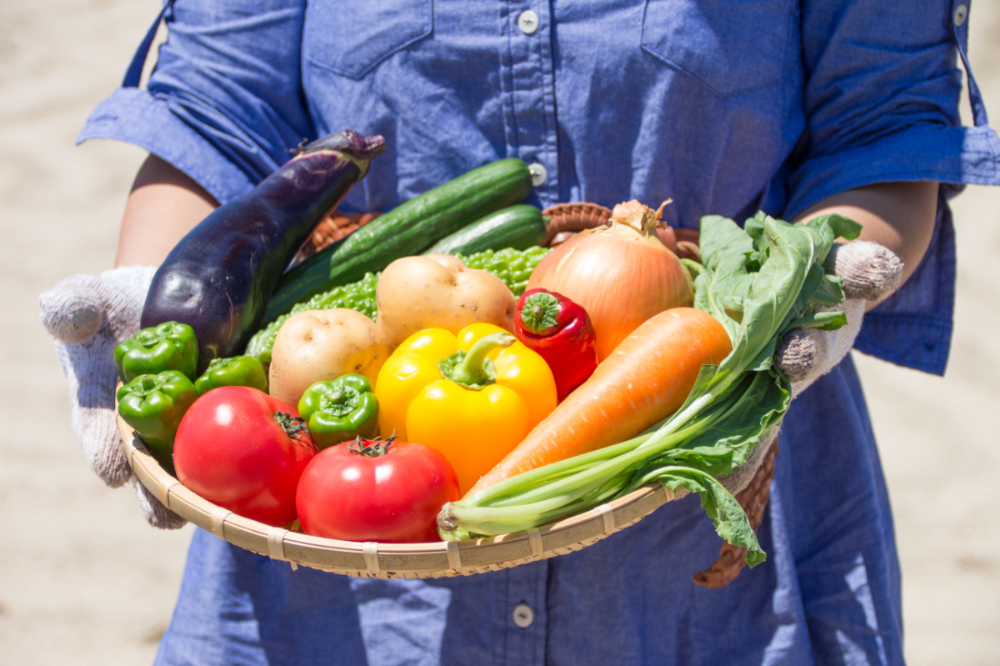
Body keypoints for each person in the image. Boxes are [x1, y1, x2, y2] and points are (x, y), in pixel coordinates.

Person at [40, 0, 1000, 663]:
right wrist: (161, 295)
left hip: (704, 468)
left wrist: (801, 292)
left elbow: (883, 126)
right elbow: (212, 111)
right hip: (330, 524)